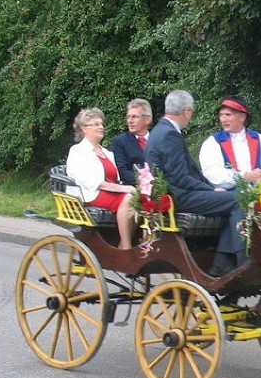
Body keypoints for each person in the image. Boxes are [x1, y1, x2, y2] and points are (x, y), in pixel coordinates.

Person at [146, 90, 247, 276]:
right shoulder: (169, 134)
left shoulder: (159, 131)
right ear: (187, 112)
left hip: (175, 193)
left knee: (230, 201)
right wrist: (211, 189)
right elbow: (180, 178)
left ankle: (222, 259)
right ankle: (240, 258)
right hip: (179, 196)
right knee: (239, 199)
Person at [65, 107, 136, 250]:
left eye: (101, 124)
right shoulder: (78, 152)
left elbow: (114, 179)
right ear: (84, 128)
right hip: (90, 196)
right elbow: (92, 182)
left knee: (139, 199)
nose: (101, 127)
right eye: (96, 124)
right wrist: (124, 189)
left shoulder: (107, 153)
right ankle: (126, 247)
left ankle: (126, 243)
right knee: (129, 198)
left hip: (109, 194)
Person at [111, 98, 153, 186]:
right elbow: (123, 172)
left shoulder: (158, 139)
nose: (130, 121)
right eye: (128, 117)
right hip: (135, 191)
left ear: (147, 119)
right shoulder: (119, 142)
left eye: (135, 117)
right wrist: (148, 183)